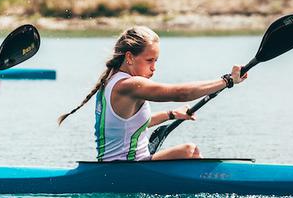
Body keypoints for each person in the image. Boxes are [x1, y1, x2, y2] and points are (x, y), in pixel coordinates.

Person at [57, 26, 246, 161]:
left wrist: (170, 115)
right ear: (130, 57)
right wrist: (227, 80)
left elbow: (127, 126)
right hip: (126, 171)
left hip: (116, 168)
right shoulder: (128, 85)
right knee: (190, 150)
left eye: (156, 61)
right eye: (149, 60)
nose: (154, 68)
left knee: (188, 150)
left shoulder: (110, 81)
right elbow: (181, 93)